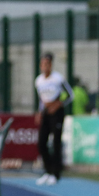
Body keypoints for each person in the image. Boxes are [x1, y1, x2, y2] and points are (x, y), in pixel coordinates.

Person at [34, 53, 73, 186]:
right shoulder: (39, 81)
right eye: (43, 64)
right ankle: (47, 170)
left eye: (47, 64)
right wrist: (40, 112)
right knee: (41, 142)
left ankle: (56, 173)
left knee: (56, 142)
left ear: (51, 65)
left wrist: (58, 104)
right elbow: (41, 99)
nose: (45, 66)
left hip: (56, 113)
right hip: (46, 112)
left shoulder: (58, 78)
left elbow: (70, 95)